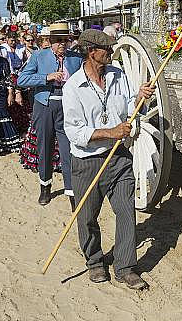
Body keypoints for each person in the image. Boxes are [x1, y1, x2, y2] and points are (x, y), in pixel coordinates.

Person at [63, 29, 154, 290]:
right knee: (87, 217)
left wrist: (139, 97)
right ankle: (94, 261)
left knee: (126, 211)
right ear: (92, 52)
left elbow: (126, 106)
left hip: (118, 158)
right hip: (87, 163)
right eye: (107, 49)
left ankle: (125, 267)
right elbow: (74, 131)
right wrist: (109, 132)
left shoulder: (117, 75)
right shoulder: (73, 87)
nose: (112, 53)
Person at [17, 24, 82, 206]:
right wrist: (46, 77)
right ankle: (45, 186)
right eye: (58, 40)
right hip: (44, 105)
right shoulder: (39, 56)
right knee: (44, 147)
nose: (62, 44)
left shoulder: (76, 58)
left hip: (67, 107)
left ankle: (72, 193)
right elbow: (22, 80)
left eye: (65, 40)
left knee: (68, 150)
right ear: (50, 41)